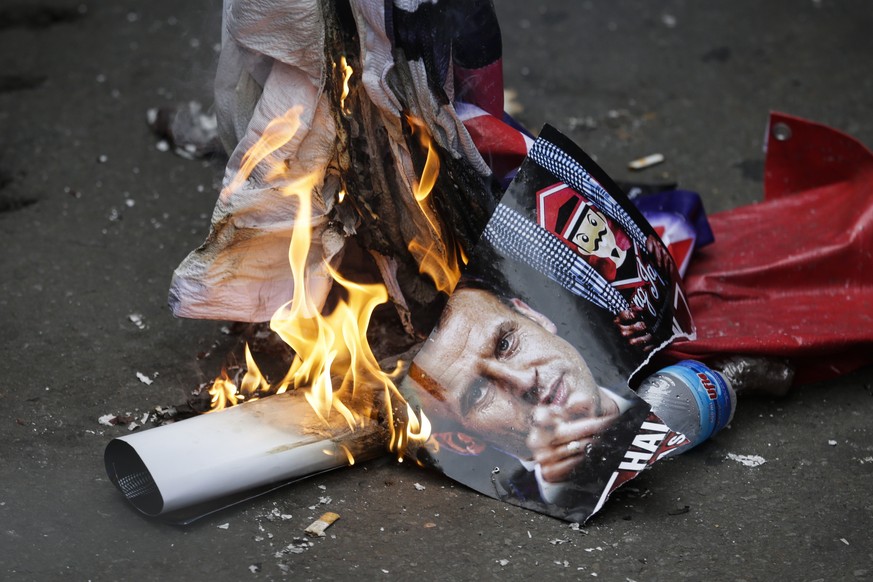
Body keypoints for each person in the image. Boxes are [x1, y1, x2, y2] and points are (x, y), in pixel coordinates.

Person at [406, 284, 640, 510]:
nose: (523, 381)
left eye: (505, 343)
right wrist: (562, 489)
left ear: (535, 317)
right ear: (462, 441)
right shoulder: (525, 501)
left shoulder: (642, 356)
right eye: (477, 392)